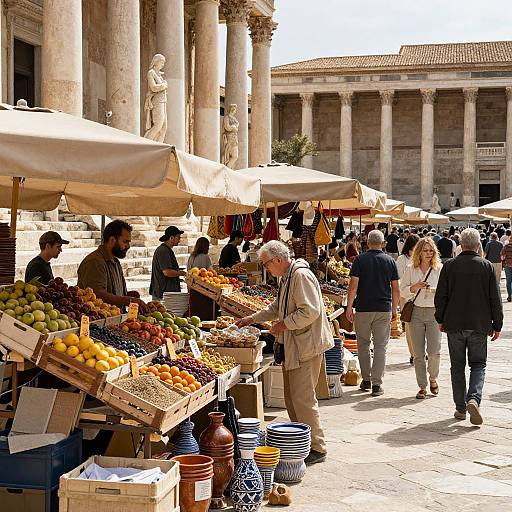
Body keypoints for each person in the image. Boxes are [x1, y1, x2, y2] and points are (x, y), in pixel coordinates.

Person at [236, 241, 334, 464]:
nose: (266, 269)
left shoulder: (300, 276)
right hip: (296, 345)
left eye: (266, 264)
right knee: (292, 399)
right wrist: (253, 318)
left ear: (278, 260)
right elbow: (276, 308)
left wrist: (284, 325)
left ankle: (317, 447)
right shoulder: (287, 277)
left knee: (303, 398)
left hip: (306, 346)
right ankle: (301, 442)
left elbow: (310, 311)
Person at [434, 228, 503, 425]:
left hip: (454, 323)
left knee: (457, 366)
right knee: (478, 364)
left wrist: (440, 319)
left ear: (460, 245)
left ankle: (460, 408)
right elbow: (494, 299)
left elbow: (441, 297)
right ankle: (473, 398)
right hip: (479, 324)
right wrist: (497, 324)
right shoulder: (487, 266)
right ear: (478, 245)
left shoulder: (449, 266)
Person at [345, 230, 400, 397]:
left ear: (367, 243)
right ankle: (377, 384)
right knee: (380, 347)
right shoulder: (390, 261)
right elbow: (395, 289)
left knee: (363, 345)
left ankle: (366, 380)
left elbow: (353, 286)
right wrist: (394, 308)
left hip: (363, 308)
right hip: (383, 308)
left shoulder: (359, 260)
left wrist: (349, 307)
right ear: (383, 244)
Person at [400, 238, 442, 399]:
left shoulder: (439, 269)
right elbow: (402, 290)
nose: (428, 253)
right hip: (416, 312)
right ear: (419, 252)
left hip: (433, 312)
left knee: (434, 351)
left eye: (431, 250)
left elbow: (446, 291)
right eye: (425, 250)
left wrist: (434, 291)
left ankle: (433, 378)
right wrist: (415, 287)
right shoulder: (411, 269)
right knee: (418, 353)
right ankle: (422, 386)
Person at [77, 220, 146, 310]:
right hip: (99, 319)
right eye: (125, 242)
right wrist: (127, 300)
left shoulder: (115, 261)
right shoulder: (95, 262)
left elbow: (112, 293)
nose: (128, 246)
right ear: (112, 240)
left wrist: (127, 295)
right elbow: (97, 295)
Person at [396, 234, 420, 365]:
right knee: (410, 326)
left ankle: (421, 351)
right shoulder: (402, 259)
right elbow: (399, 278)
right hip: (407, 296)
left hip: (421, 296)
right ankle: (413, 353)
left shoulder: (420, 259)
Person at [149, 226, 187, 300]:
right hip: (163, 294)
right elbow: (167, 272)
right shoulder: (163, 251)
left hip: (165, 293)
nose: (179, 240)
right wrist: (181, 273)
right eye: (178, 238)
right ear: (171, 238)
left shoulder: (166, 250)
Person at [501, 236, 512, 301]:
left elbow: (502, 257)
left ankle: (509, 296)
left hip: (507, 265)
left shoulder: (505, 247)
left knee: (508, 281)